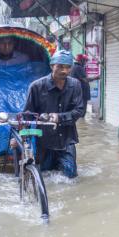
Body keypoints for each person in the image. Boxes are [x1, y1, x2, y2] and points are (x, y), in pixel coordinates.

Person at [22, 50, 84, 178]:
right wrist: (21, 138)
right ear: (52, 66)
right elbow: (27, 116)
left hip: (67, 140)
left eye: (68, 67)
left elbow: (79, 111)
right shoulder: (36, 87)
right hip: (45, 141)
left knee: (71, 176)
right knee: (44, 175)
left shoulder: (75, 85)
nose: (64, 71)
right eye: (60, 67)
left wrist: (59, 117)